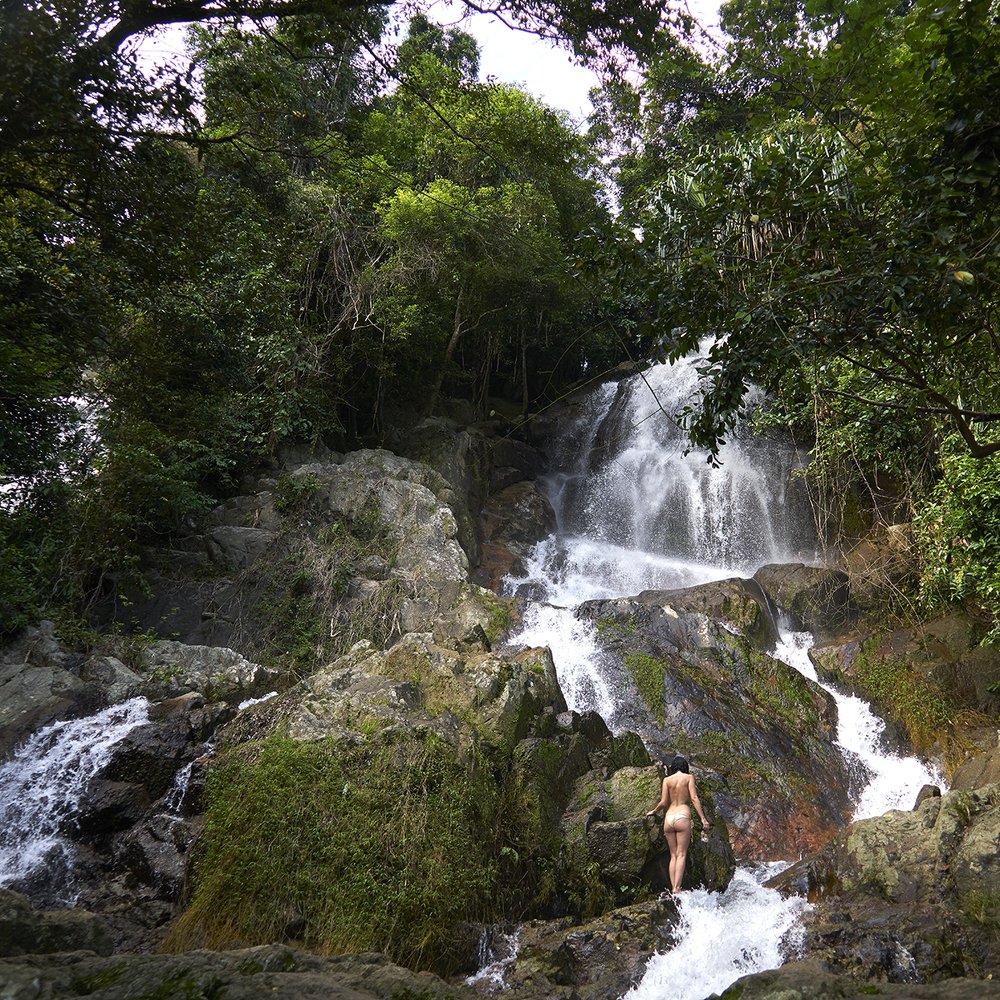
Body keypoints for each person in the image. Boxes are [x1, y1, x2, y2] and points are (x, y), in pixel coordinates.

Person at [646, 755, 710, 894]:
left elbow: (663, 802)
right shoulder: (689, 778)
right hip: (682, 815)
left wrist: (653, 811)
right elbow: (693, 797)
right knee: (681, 855)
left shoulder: (667, 780)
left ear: (673, 767)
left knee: (673, 856)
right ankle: (677, 889)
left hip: (669, 818)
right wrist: (703, 819)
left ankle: (672, 888)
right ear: (685, 767)